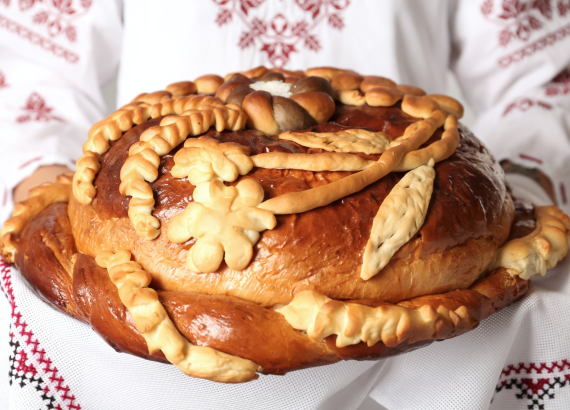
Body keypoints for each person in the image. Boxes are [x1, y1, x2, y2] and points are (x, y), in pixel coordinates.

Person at [1, 1, 569, 409]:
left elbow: (537, 74)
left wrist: (521, 185)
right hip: (144, 207)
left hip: (436, 198)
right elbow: (35, 66)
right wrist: (44, 181)